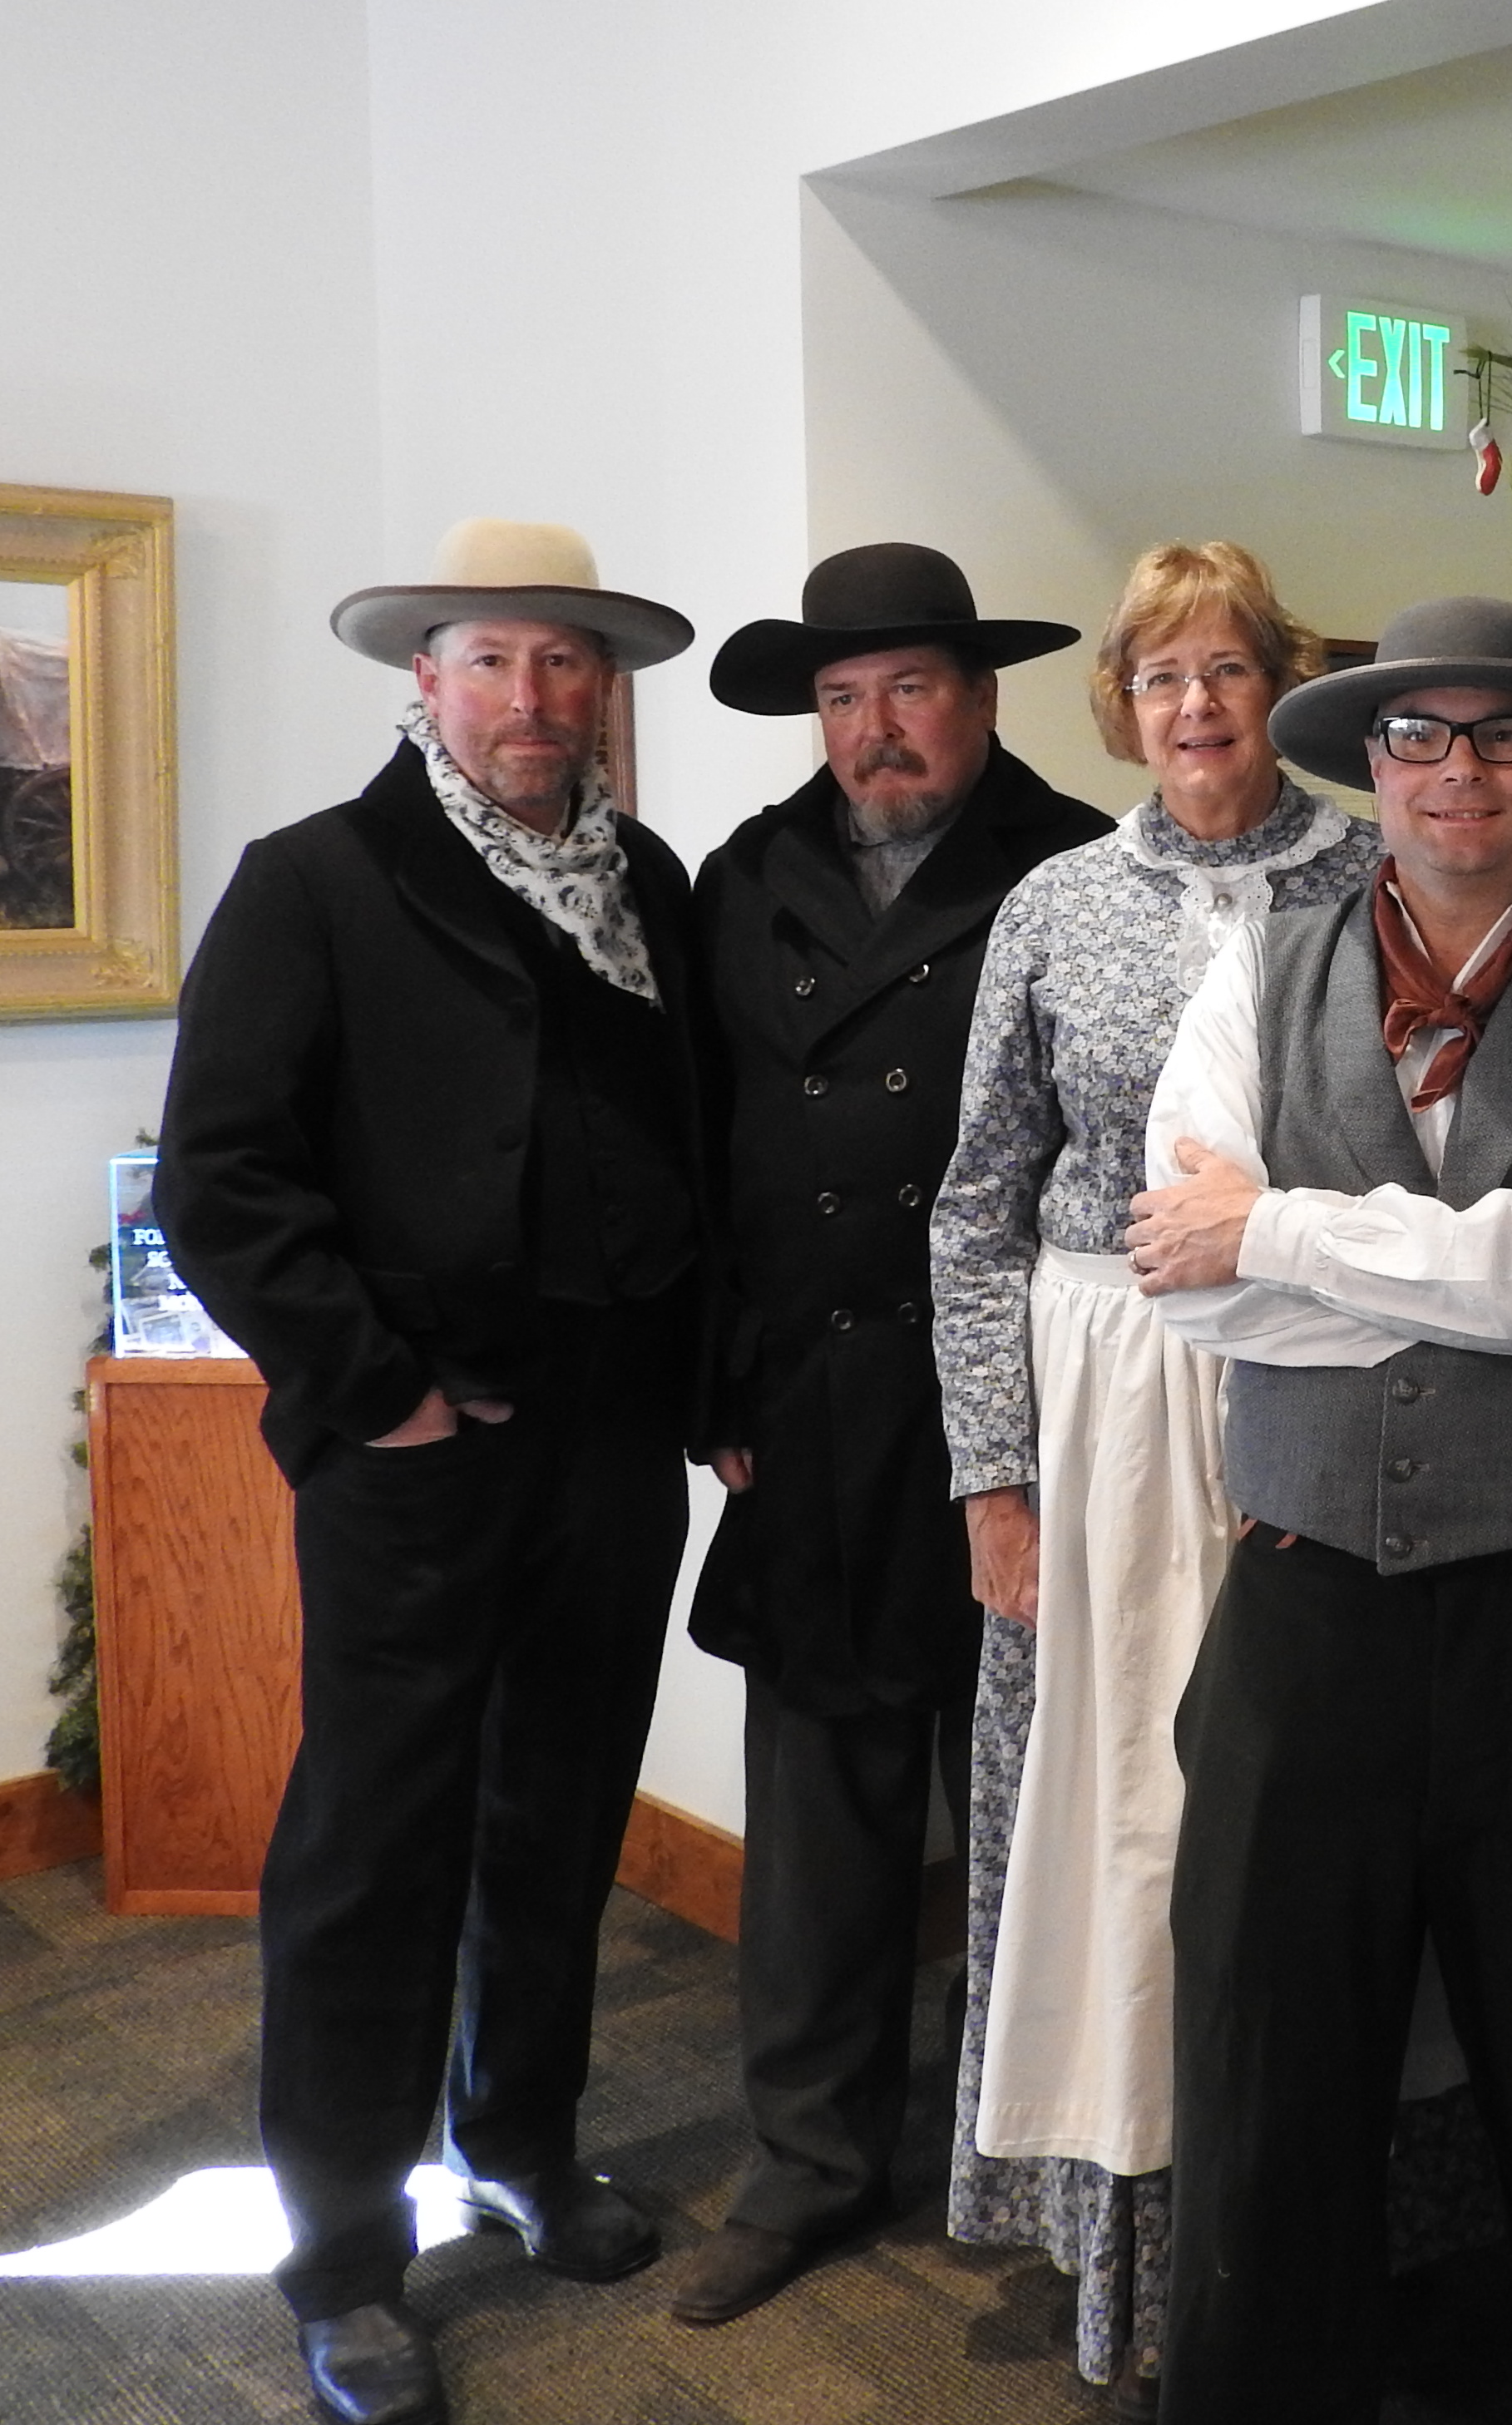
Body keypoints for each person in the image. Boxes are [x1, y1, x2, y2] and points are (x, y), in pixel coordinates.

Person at [1129, 593, 1512, 2425]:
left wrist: (1293, 1230)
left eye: (1505, 739)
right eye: (1420, 738)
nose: (1458, 772)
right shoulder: (1250, 973)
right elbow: (1188, 1277)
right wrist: (1461, 1274)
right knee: (1264, 2062)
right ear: (1370, 766)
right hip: (1306, 1612)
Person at [157, 520, 705, 2425]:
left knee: (561, 1809)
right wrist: (373, 1387)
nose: (533, 697)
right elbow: (221, 1172)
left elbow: (688, 1152)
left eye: (567, 664)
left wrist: (700, 1389)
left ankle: (527, 2143)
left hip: (612, 1437)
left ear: (598, 690)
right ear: (425, 678)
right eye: (496, 660)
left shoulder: (654, 881)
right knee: (373, 1847)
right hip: (419, 1439)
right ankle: (342, 2255)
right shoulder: (316, 882)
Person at [926, 542, 1383, 2402]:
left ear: (1284, 684)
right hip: (1097, 1405)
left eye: (1230, 669)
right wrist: (992, 1480)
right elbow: (971, 1209)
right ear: (1121, 702)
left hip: (1304, 1379)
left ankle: (1302, 2236)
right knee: (1102, 1817)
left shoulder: (1376, 875)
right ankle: (1112, 2242)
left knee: (1293, 1817)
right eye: (1161, 676)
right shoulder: (1051, 905)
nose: (1197, 707)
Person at [668, 543, 1103, 2326]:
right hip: (819, 1407)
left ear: (981, 698)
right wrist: (718, 1388)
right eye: (844, 700)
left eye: (910, 689)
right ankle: (810, 2165)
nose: (876, 729)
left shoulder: (1077, 863)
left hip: (1026, 1407)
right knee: (825, 1818)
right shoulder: (742, 876)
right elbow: (703, 1148)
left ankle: (1036, 2163)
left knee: (1024, 1811)